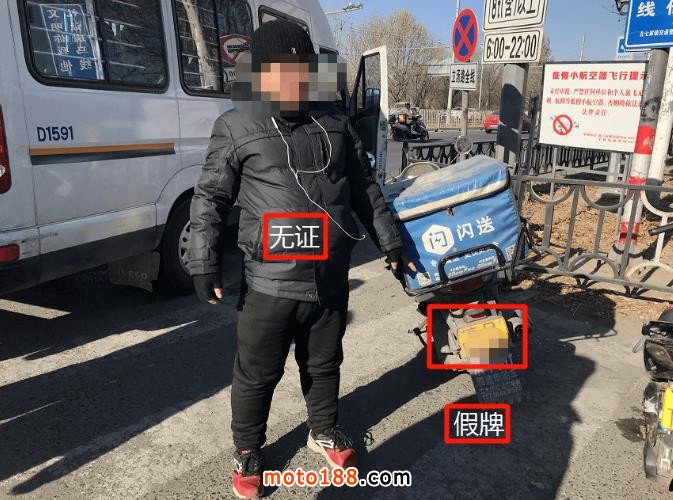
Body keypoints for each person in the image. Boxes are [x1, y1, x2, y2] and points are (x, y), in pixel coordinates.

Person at [187, 20, 414, 499]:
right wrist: (201, 261)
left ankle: (323, 429)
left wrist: (390, 242)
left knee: (325, 362)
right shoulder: (236, 125)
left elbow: (365, 188)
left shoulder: (336, 121)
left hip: (329, 277)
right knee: (257, 374)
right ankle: (248, 450)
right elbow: (210, 197)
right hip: (269, 284)